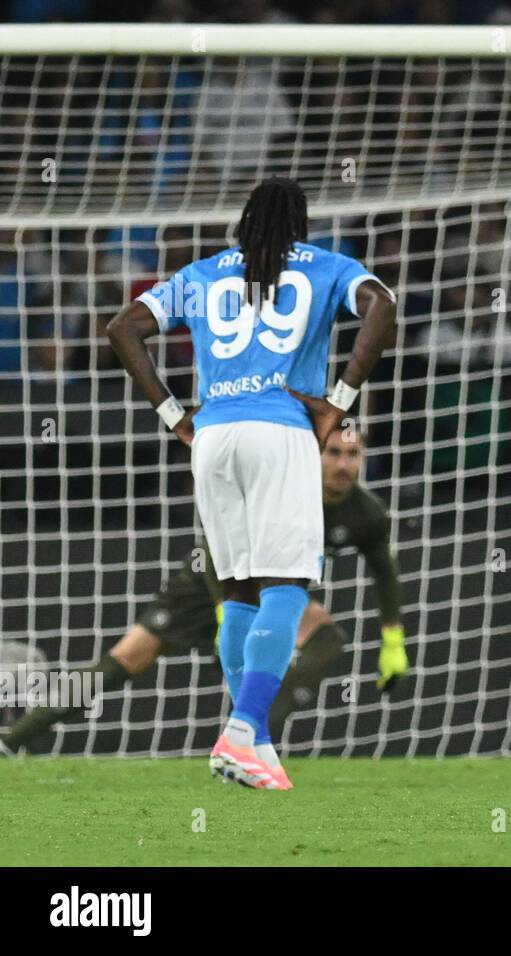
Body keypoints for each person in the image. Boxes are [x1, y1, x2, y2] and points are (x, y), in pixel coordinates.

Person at [106, 177, 397, 789]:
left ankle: (252, 743)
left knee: (235, 591)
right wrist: (338, 402)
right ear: (301, 224)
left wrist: (172, 416)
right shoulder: (326, 266)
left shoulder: (200, 273)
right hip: (281, 431)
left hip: (211, 438)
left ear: (242, 222)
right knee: (286, 586)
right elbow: (383, 306)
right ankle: (243, 732)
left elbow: (123, 327)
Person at [0, 429, 407, 756]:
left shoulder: (366, 513)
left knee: (326, 638)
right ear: (313, 455)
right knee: (122, 662)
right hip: (205, 583)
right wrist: (225, 610)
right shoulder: (282, 493)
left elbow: (384, 572)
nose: (342, 464)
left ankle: (247, 745)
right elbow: (217, 543)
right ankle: (11, 740)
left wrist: (393, 639)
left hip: (269, 592)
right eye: (333, 452)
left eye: (352, 455)